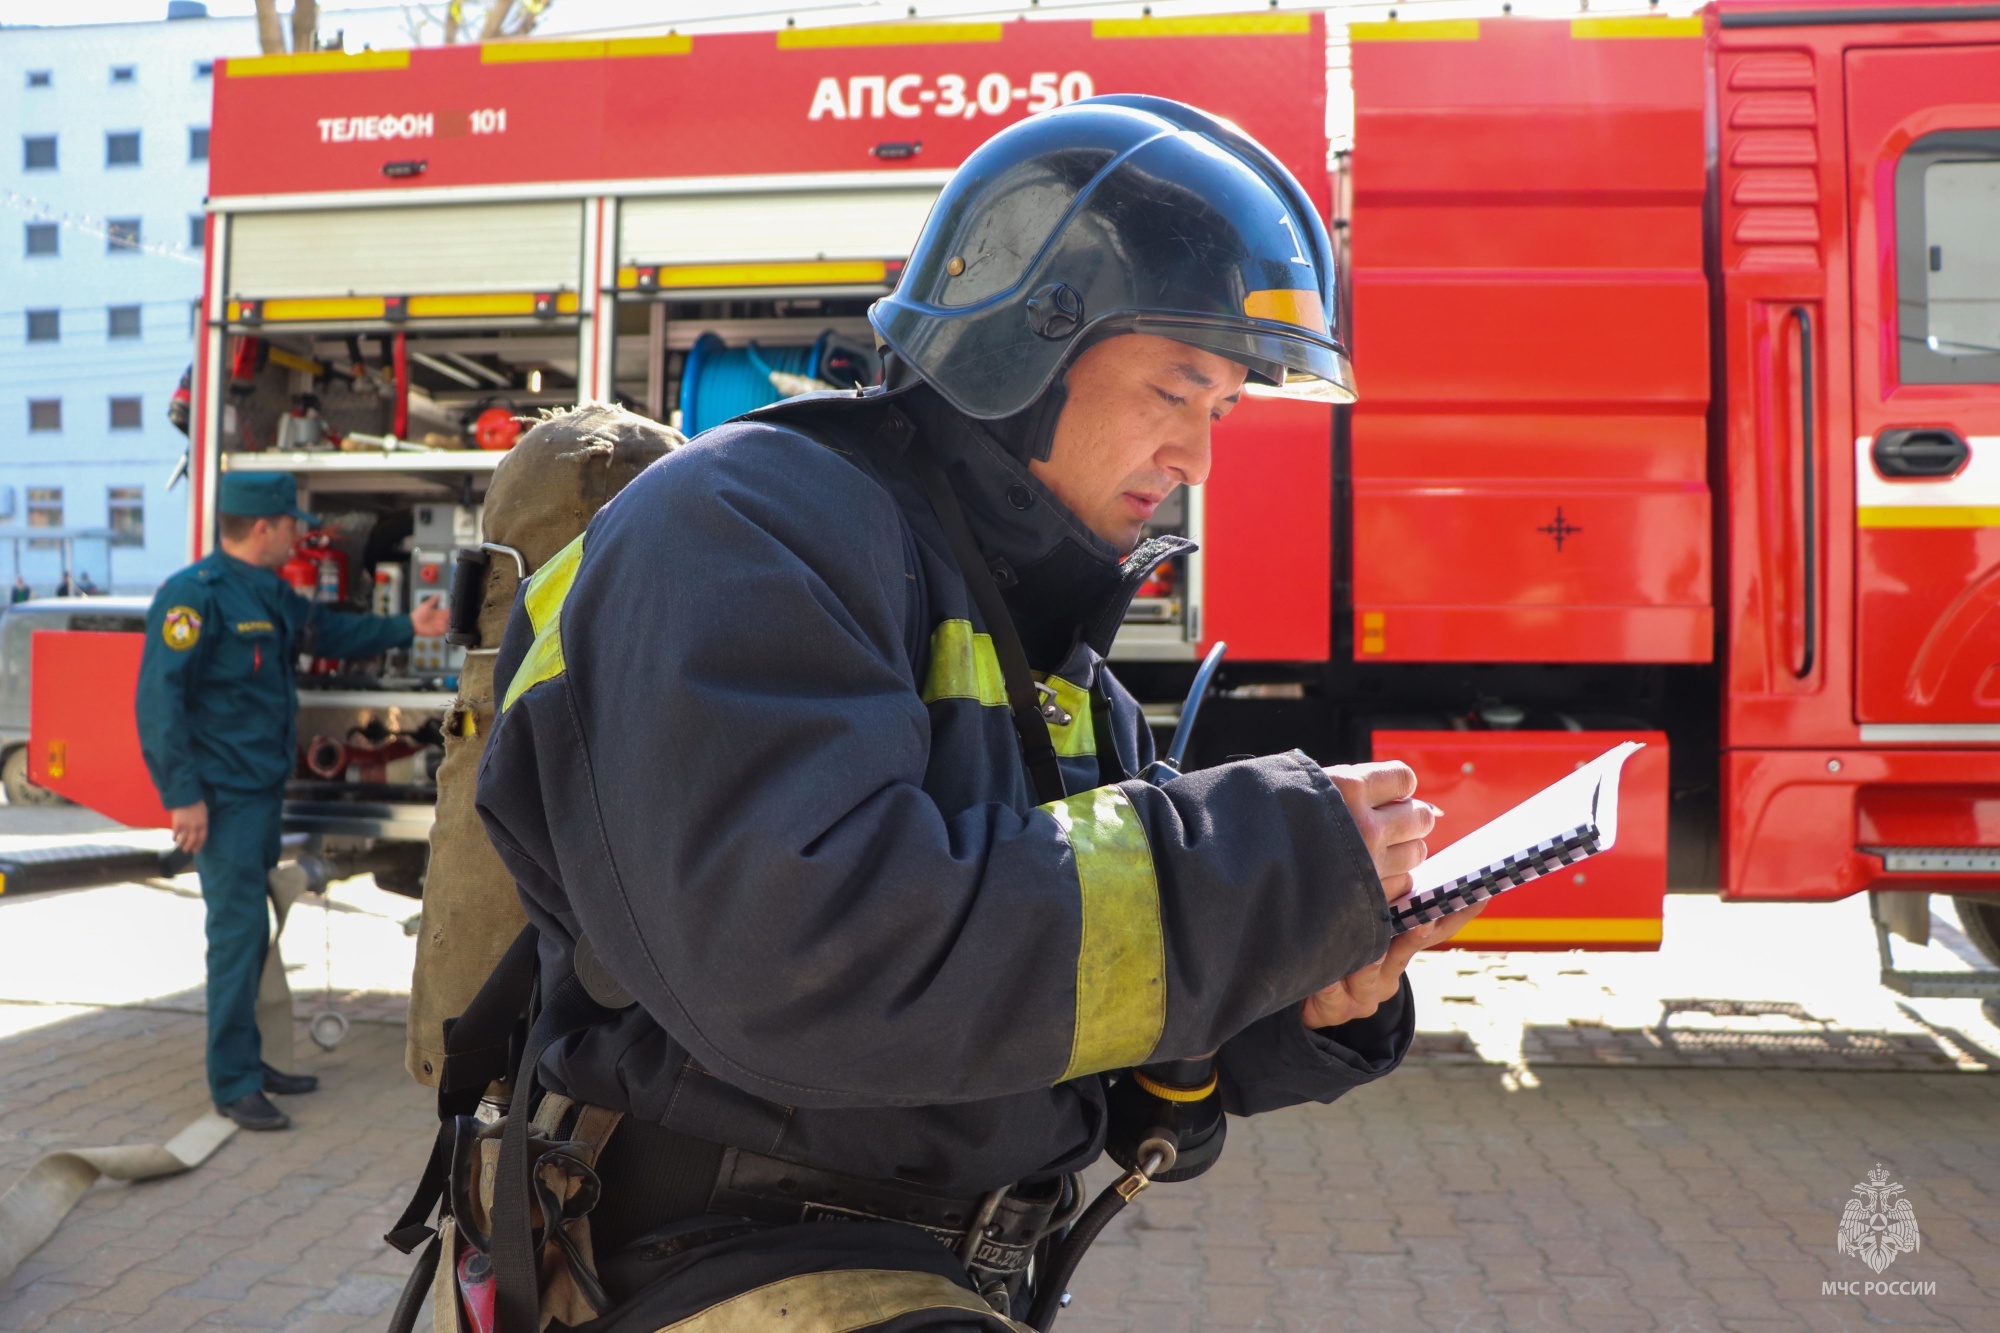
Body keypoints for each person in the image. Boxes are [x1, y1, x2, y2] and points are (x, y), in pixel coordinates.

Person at [472, 97, 1480, 1329]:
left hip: (940, 1273)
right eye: (1177, 389)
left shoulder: (1059, 671)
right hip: (717, 1260)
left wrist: (1303, 992)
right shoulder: (740, 528)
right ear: (1029, 341)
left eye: (1221, 411)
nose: (1197, 459)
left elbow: (1136, 1089)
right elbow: (805, 960)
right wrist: (1251, 861)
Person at [137, 473, 447, 1131]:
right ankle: (233, 1082)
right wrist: (182, 795)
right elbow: (158, 701)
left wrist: (406, 625)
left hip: (259, 790)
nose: (296, 536)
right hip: (219, 799)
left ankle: (252, 1063)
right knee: (237, 934)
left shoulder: (271, 592)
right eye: (289, 525)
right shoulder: (194, 597)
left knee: (254, 935)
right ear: (263, 527)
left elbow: (328, 633)